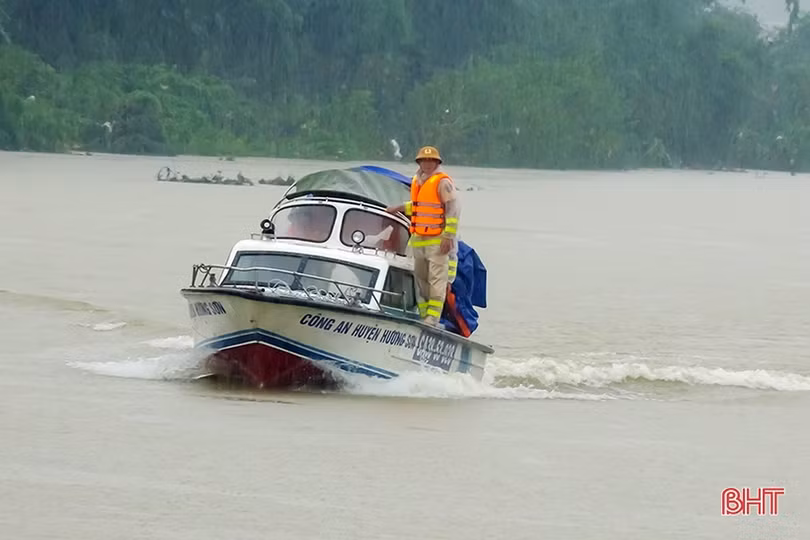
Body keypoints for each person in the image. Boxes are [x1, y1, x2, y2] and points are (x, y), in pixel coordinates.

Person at [386, 146, 460, 326]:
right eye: (424, 161)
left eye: (431, 161)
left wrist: (448, 236)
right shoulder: (417, 181)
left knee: (437, 280)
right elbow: (420, 206)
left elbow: (453, 209)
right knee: (420, 279)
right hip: (419, 239)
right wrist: (399, 208)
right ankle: (423, 314)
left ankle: (432, 318)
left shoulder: (443, 182)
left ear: (437, 162)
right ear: (419, 162)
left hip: (437, 240)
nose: (427, 164)